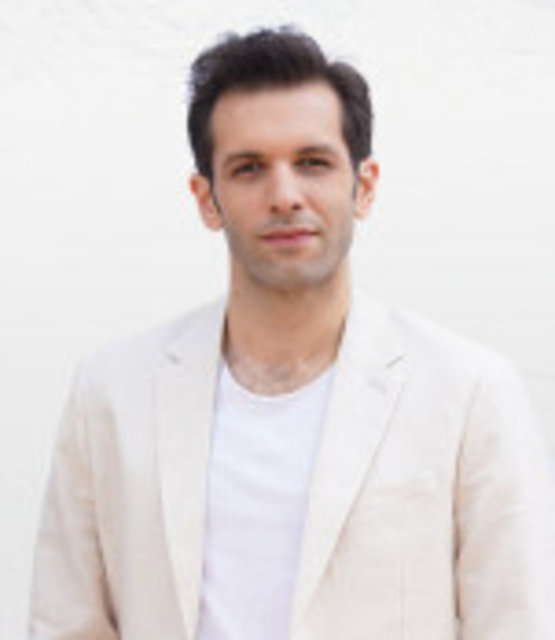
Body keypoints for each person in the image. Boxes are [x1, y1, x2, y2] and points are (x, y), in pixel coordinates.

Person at [29, 26, 555, 640]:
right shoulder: (112, 394)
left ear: (363, 186)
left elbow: (515, 621)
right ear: (207, 198)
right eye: (249, 168)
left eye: (313, 163)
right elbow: (66, 623)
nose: (284, 196)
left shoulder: (467, 392)